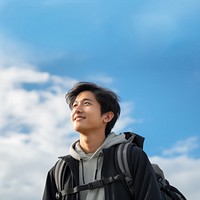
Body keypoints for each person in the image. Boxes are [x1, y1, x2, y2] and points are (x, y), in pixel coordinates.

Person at [42, 81, 163, 200]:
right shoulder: (60, 170)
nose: (77, 109)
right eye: (75, 105)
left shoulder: (130, 157)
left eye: (86, 103)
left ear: (107, 116)